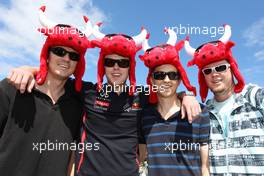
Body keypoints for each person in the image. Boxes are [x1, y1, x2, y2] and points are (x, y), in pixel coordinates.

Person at [7, 16, 201, 176]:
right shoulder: (87, 91)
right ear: (102, 65)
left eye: (123, 63)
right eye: (110, 62)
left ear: (130, 68)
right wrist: (30, 70)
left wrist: (187, 95)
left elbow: (167, 90)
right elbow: (57, 76)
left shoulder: (140, 96)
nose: (116, 67)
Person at [0, 6, 92, 176]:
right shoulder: (12, 87)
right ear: (47, 54)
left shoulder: (78, 104)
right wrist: (28, 69)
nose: (66, 59)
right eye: (59, 51)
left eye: (74, 56)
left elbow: (73, 152)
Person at [185, 24, 264, 175]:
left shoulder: (255, 96)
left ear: (231, 68)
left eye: (220, 67)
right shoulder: (205, 111)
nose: (214, 74)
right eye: (208, 71)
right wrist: (185, 95)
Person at [138, 29, 210, 176]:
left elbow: (205, 168)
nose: (166, 80)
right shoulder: (144, 116)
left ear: (179, 80)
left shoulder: (200, 112)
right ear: (151, 80)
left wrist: (188, 95)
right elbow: (139, 160)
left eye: (172, 75)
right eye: (159, 75)